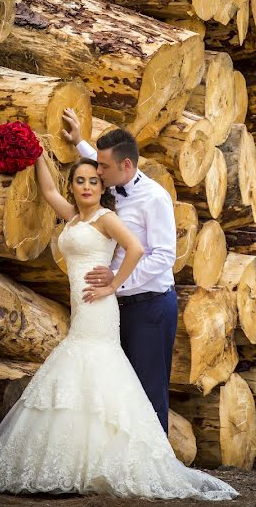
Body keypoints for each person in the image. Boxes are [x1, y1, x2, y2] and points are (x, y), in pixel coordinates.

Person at [0, 156, 237, 500]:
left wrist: (114, 285)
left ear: (102, 186)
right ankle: (78, 459)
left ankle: (103, 461)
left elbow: (136, 248)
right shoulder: (74, 217)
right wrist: (35, 155)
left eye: (94, 181)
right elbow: (49, 190)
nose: (86, 186)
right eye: (80, 181)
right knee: (78, 373)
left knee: (94, 365)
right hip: (81, 307)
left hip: (99, 306)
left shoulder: (106, 218)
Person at [62, 108, 179, 434]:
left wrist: (117, 283)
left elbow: (163, 257)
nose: (97, 172)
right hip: (113, 308)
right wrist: (79, 143)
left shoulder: (155, 198)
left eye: (103, 167)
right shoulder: (110, 182)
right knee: (117, 390)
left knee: (148, 390)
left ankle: (157, 474)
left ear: (126, 166)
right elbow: (96, 160)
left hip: (150, 306)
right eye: (96, 164)